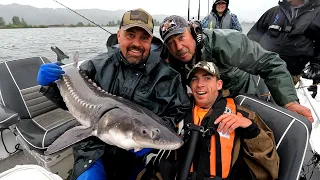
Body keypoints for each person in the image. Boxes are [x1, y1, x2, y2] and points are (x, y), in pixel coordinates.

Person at [37, 8, 191, 180]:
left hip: (135, 156)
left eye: (144, 38)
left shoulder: (167, 77)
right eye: (130, 35)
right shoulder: (96, 66)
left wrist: (149, 142)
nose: (137, 44)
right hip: (93, 151)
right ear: (119, 35)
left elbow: (179, 112)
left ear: (150, 41)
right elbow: (69, 104)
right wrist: (50, 85)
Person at [159, 15, 314, 122]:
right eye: (171, 43)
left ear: (193, 32)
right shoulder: (172, 58)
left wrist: (288, 101)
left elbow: (270, 62)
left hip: (245, 92)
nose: (178, 47)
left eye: (181, 37)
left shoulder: (224, 43)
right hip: (213, 100)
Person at [173, 61, 279, 180]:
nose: (199, 84)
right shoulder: (179, 111)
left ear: (219, 84)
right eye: (194, 79)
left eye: (207, 78)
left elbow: (269, 169)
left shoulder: (243, 115)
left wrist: (251, 129)